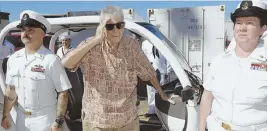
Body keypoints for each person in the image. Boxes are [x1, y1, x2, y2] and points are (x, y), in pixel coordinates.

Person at [62, 5, 175, 131]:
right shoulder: (90, 46)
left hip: (127, 120)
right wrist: (96, 39)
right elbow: (66, 63)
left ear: (123, 25)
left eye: (119, 25)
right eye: (109, 26)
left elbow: (148, 71)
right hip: (97, 121)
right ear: (102, 27)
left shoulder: (131, 46)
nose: (115, 30)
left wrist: (161, 93)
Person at [199, 1, 267, 131]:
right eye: (239, 23)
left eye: (250, 23)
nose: (242, 28)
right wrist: (201, 129)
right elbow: (207, 98)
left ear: (262, 28)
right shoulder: (219, 61)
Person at [1, 10, 72, 131]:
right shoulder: (13, 59)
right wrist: (6, 114)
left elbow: (63, 93)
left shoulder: (51, 60)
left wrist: (58, 121)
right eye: (23, 30)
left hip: (45, 119)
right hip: (21, 119)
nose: (25, 34)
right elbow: (11, 90)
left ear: (42, 34)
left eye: (31, 30)